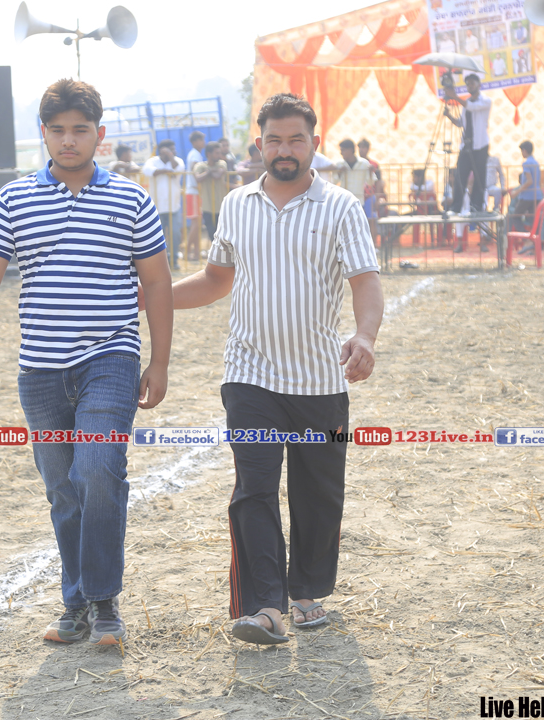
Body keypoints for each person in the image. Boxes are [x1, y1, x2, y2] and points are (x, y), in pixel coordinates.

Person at [0, 78, 172, 647]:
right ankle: (75, 604)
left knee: (98, 471)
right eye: (58, 130)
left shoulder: (132, 199)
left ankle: (104, 602)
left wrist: (160, 362)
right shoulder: (13, 199)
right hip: (41, 371)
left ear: (99, 134)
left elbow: (156, 282)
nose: (69, 140)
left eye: (80, 130)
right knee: (63, 490)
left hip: (111, 359)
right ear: (44, 134)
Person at [171, 93, 382, 645]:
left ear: (314, 143)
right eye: (274, 140)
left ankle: (306, 591)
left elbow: (365, 280)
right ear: (259, 144)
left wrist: (364, 336)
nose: (284, 149)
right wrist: (154, 297)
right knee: (254, 488)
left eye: (295, 140)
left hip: (319, 378)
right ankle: (265, 607)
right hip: (249, 375)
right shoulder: (237, 204)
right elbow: (215, 280)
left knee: (318, 493)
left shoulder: (341, 207)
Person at [444, 74, 491, 217]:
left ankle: (476, 207)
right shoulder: (467, 103)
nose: (470, 86)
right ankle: (456, 207)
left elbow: (472, 107)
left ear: (478, 85)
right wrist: (449, 116)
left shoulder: (486, 101)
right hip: (466, 145)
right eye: (468, 84)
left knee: (479, 177)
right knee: (460, 175)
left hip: (480, 145)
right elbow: (460, 123)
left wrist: (455, 97)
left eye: (472, 84)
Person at [142, 139, 185, 270]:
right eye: (170, 150)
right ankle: (161, 263)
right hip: (156, 207)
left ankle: (174, 260)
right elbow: (148, 171)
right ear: (162, 150)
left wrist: (170, 157)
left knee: (175, 234)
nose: (173, 152)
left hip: (174, 206)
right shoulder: (152, 161)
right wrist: (166, 171)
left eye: (173, 150)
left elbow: (178, 169)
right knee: (157, 236)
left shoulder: (177, 160)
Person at [194, 141, 230, 245]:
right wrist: (209, 171)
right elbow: (198, 178)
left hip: (221, 206)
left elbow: (217, 175)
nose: (219, 155)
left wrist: (207, 172)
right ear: (209, 154)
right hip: (207, 207)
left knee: (224, 235)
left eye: (220, 153)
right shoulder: (200, 165)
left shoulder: (222, 163)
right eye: (217, 153)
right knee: (212, 235)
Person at [507, 139, 542, 235]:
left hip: (527, 196)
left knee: (515, 217)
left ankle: (526, 236)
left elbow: (529, 181)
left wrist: (516, 192)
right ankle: (534, 239)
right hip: (537, 195)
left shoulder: (526, 163)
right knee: (533, 220)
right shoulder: (536, 163)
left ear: (524, 150)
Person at [185, 130, 206, 263]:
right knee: (195, 224)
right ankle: (187, 251)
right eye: (201, 140)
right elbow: (195, 170)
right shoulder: (195, 155)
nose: (203, 142)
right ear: (195, 141)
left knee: (197, 224)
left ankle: (196, 253)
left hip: (195, 192)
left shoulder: (196, 154)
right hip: (193, 191)